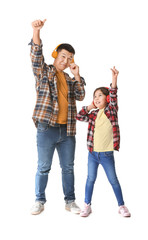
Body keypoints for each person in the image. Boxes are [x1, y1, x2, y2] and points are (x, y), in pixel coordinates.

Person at [29, 19, 85, 215]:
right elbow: (36, 56)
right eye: (63, 56)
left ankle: (70, 201)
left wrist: (77, 75)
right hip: (47, 128)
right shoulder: (44, 72)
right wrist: (36, 32)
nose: (65, 60)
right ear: (56, 55)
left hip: (67, 131)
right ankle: (39, 200)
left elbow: (80, 95)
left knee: (68, 168)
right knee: (43, 167)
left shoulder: (70, 79)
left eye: (69, 58)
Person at [76, 66, 131, 217]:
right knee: (90, 180)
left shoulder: (111, 110)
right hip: (92, 154)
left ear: (107, 99)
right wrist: (89, 106)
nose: (96, 98)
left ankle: (121, 206)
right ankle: (87, 205)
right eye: (95, 96)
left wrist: (114, 79)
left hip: (106, 154)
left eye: (99, 95)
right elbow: (79, 117)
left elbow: (113, 94)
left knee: (113, 180)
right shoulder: (93, 114)